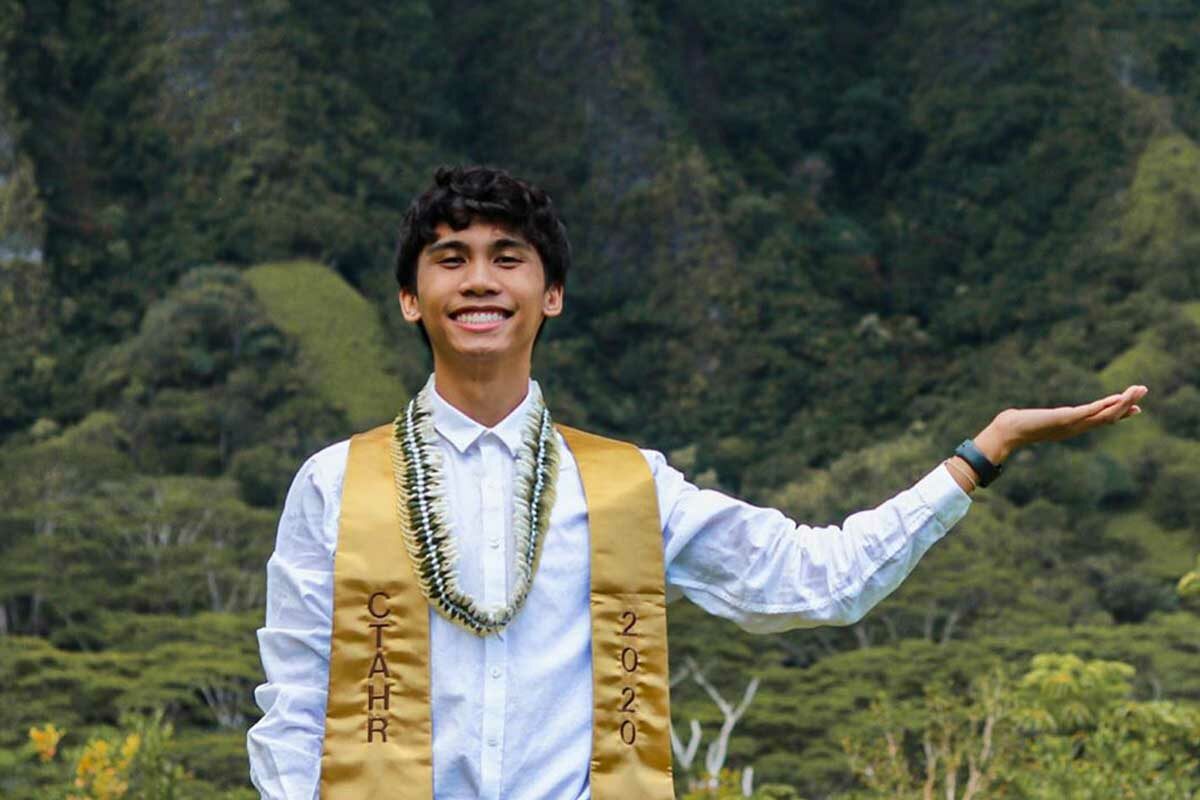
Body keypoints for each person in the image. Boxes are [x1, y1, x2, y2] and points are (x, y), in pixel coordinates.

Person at [246, 165, 1148, 799]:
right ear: (410, 298)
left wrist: (980, 453)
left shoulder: (629, 484)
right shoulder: (336, 483)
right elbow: (293, 706)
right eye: (450, 258)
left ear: (551, 293)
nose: (480, 281)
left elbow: (817, 580)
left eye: (508, 257)